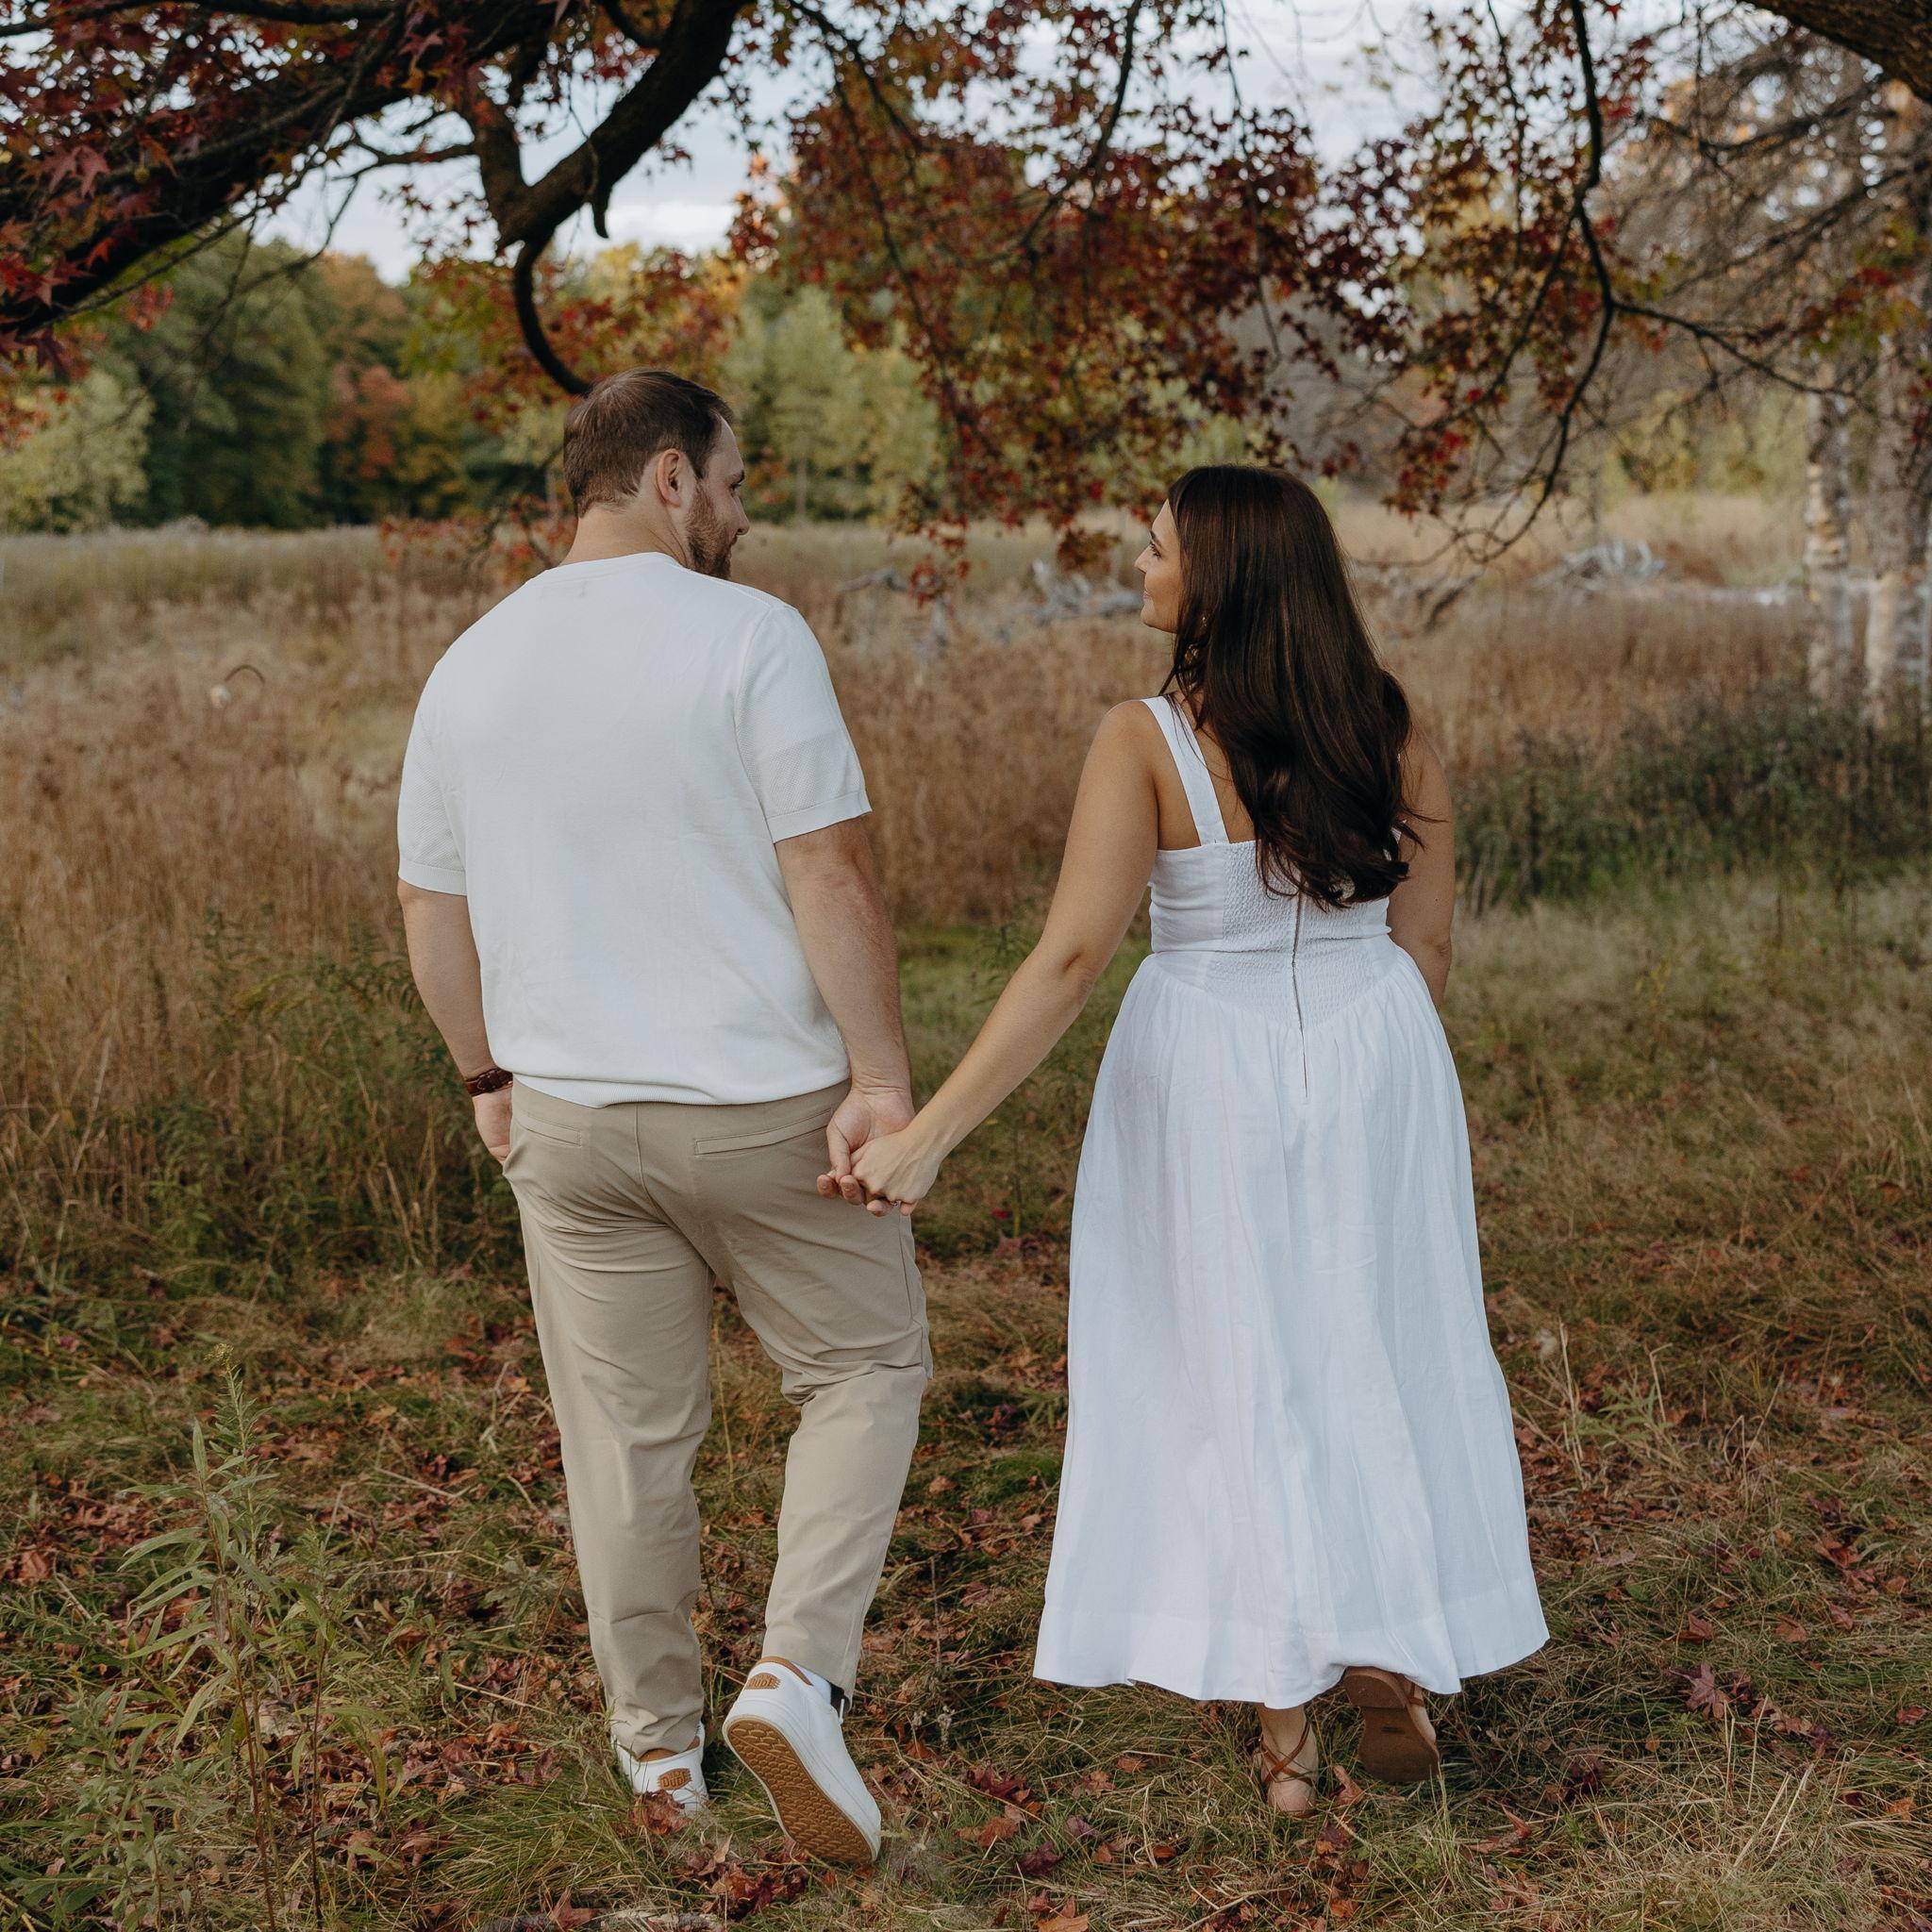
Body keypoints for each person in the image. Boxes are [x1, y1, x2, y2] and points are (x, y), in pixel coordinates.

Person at [832, 465, 1548, 1814]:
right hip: (1377, 1049)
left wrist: (929, 1135)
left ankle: (1287, 1741)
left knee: (1237, 1363)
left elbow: (1071, 960)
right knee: (1375, 1340)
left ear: (1218, 578)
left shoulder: (1146, 740)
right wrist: (1365, 1072)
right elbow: (1430, 944)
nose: (1141, 567)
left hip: (1209, 1060)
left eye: (1157, 548)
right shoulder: (1389, 723)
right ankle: (1390, 1643)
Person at [395, 370, 928, 1866]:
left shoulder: (470, 667)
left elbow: (430, 908)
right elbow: (830, 869)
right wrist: (880, 1080)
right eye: (733, 483)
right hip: (763, 1113)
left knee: (625, 1443)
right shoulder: (752, 638)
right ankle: (797, 1677)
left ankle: (662, 1764)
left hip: (569, 1123)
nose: (741, 516)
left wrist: (486, 1078)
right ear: (671, 477)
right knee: (866, 1366)